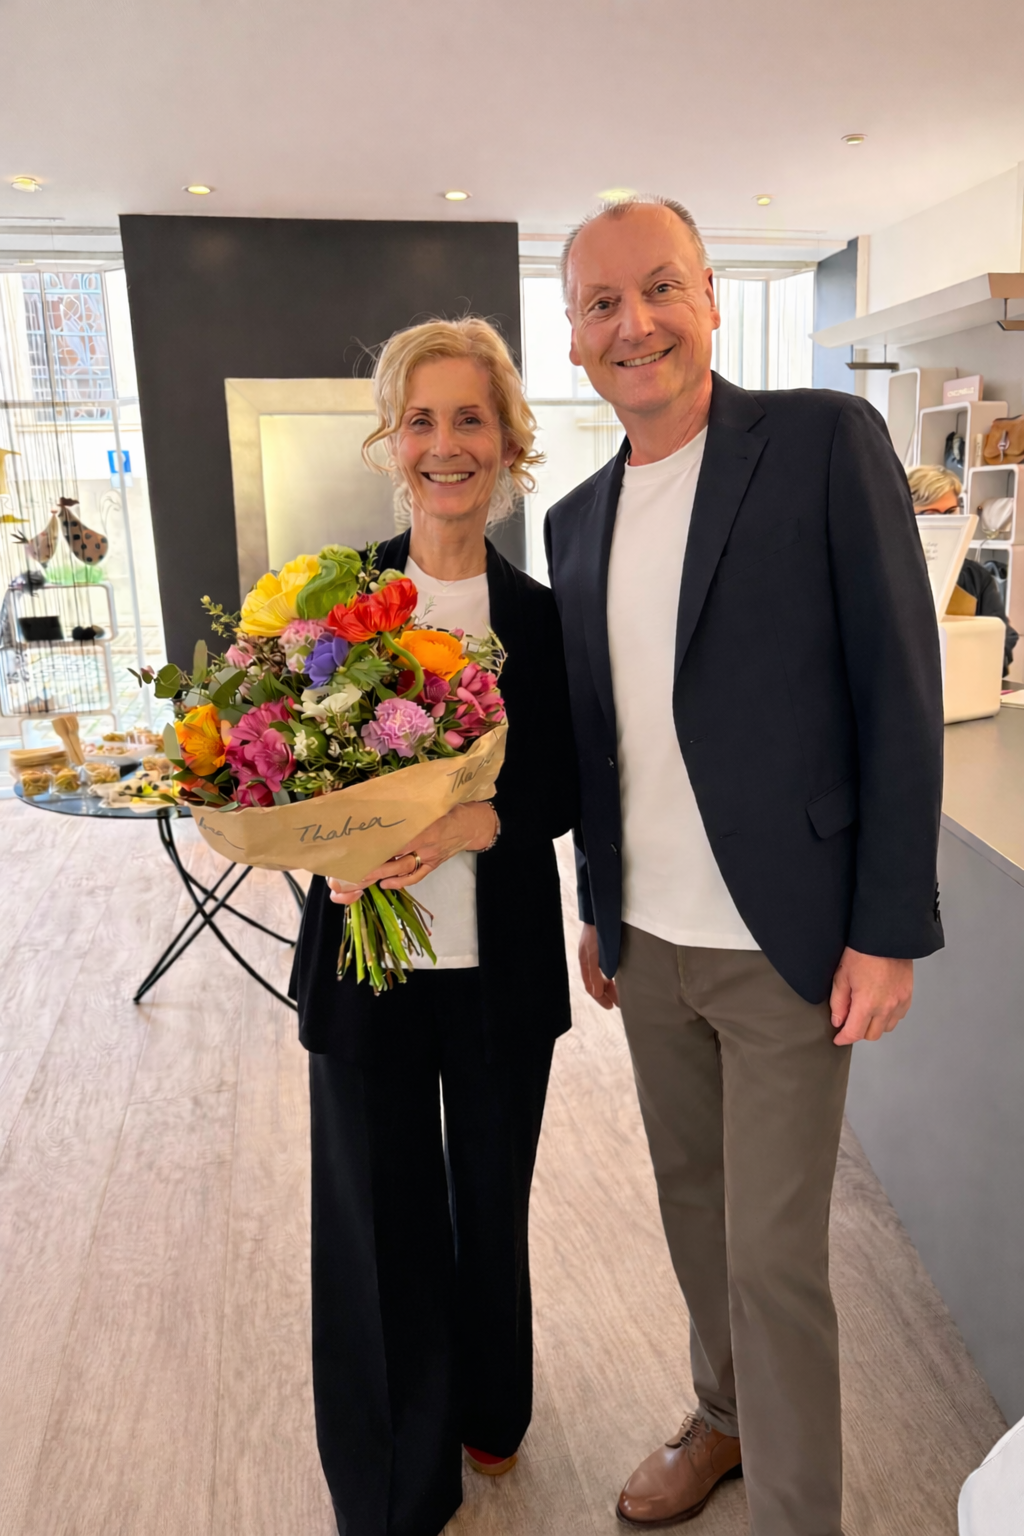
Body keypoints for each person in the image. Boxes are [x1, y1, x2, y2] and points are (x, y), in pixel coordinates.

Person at [545, 195, 944, 1536]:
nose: (635, 323)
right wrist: (599, 906)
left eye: (660, 287)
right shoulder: (577, 521)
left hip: (788, 943)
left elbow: (899, 688)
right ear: (574, 337)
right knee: (693, 1214)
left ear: (711, 298)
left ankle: (795, 1515)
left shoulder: (822, 443)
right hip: (649, 949)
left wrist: (885, 927)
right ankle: (719, 1418)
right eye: (602, 304)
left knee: (773, 1260)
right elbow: (603, 740)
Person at [289, 318, 577, 1536]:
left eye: (470, 419)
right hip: (370, 964)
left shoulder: (542, 616)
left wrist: (468, 820)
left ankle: (490, 1407)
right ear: (390, 442)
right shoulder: (332, 602)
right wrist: (330, 843)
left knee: (489, 1204)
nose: (445, 445)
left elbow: (566, 780)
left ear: (508, 443)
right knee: (378, 1217)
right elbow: (277, 769)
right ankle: (395, 1482)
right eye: (421, 420)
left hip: (498, 967)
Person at [908, 463, 1018, 674]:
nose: (944, 522)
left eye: (951, 512)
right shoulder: (884, 574)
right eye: (930, 514)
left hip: (964, 683)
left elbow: (1002, 640)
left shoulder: (976, 576)